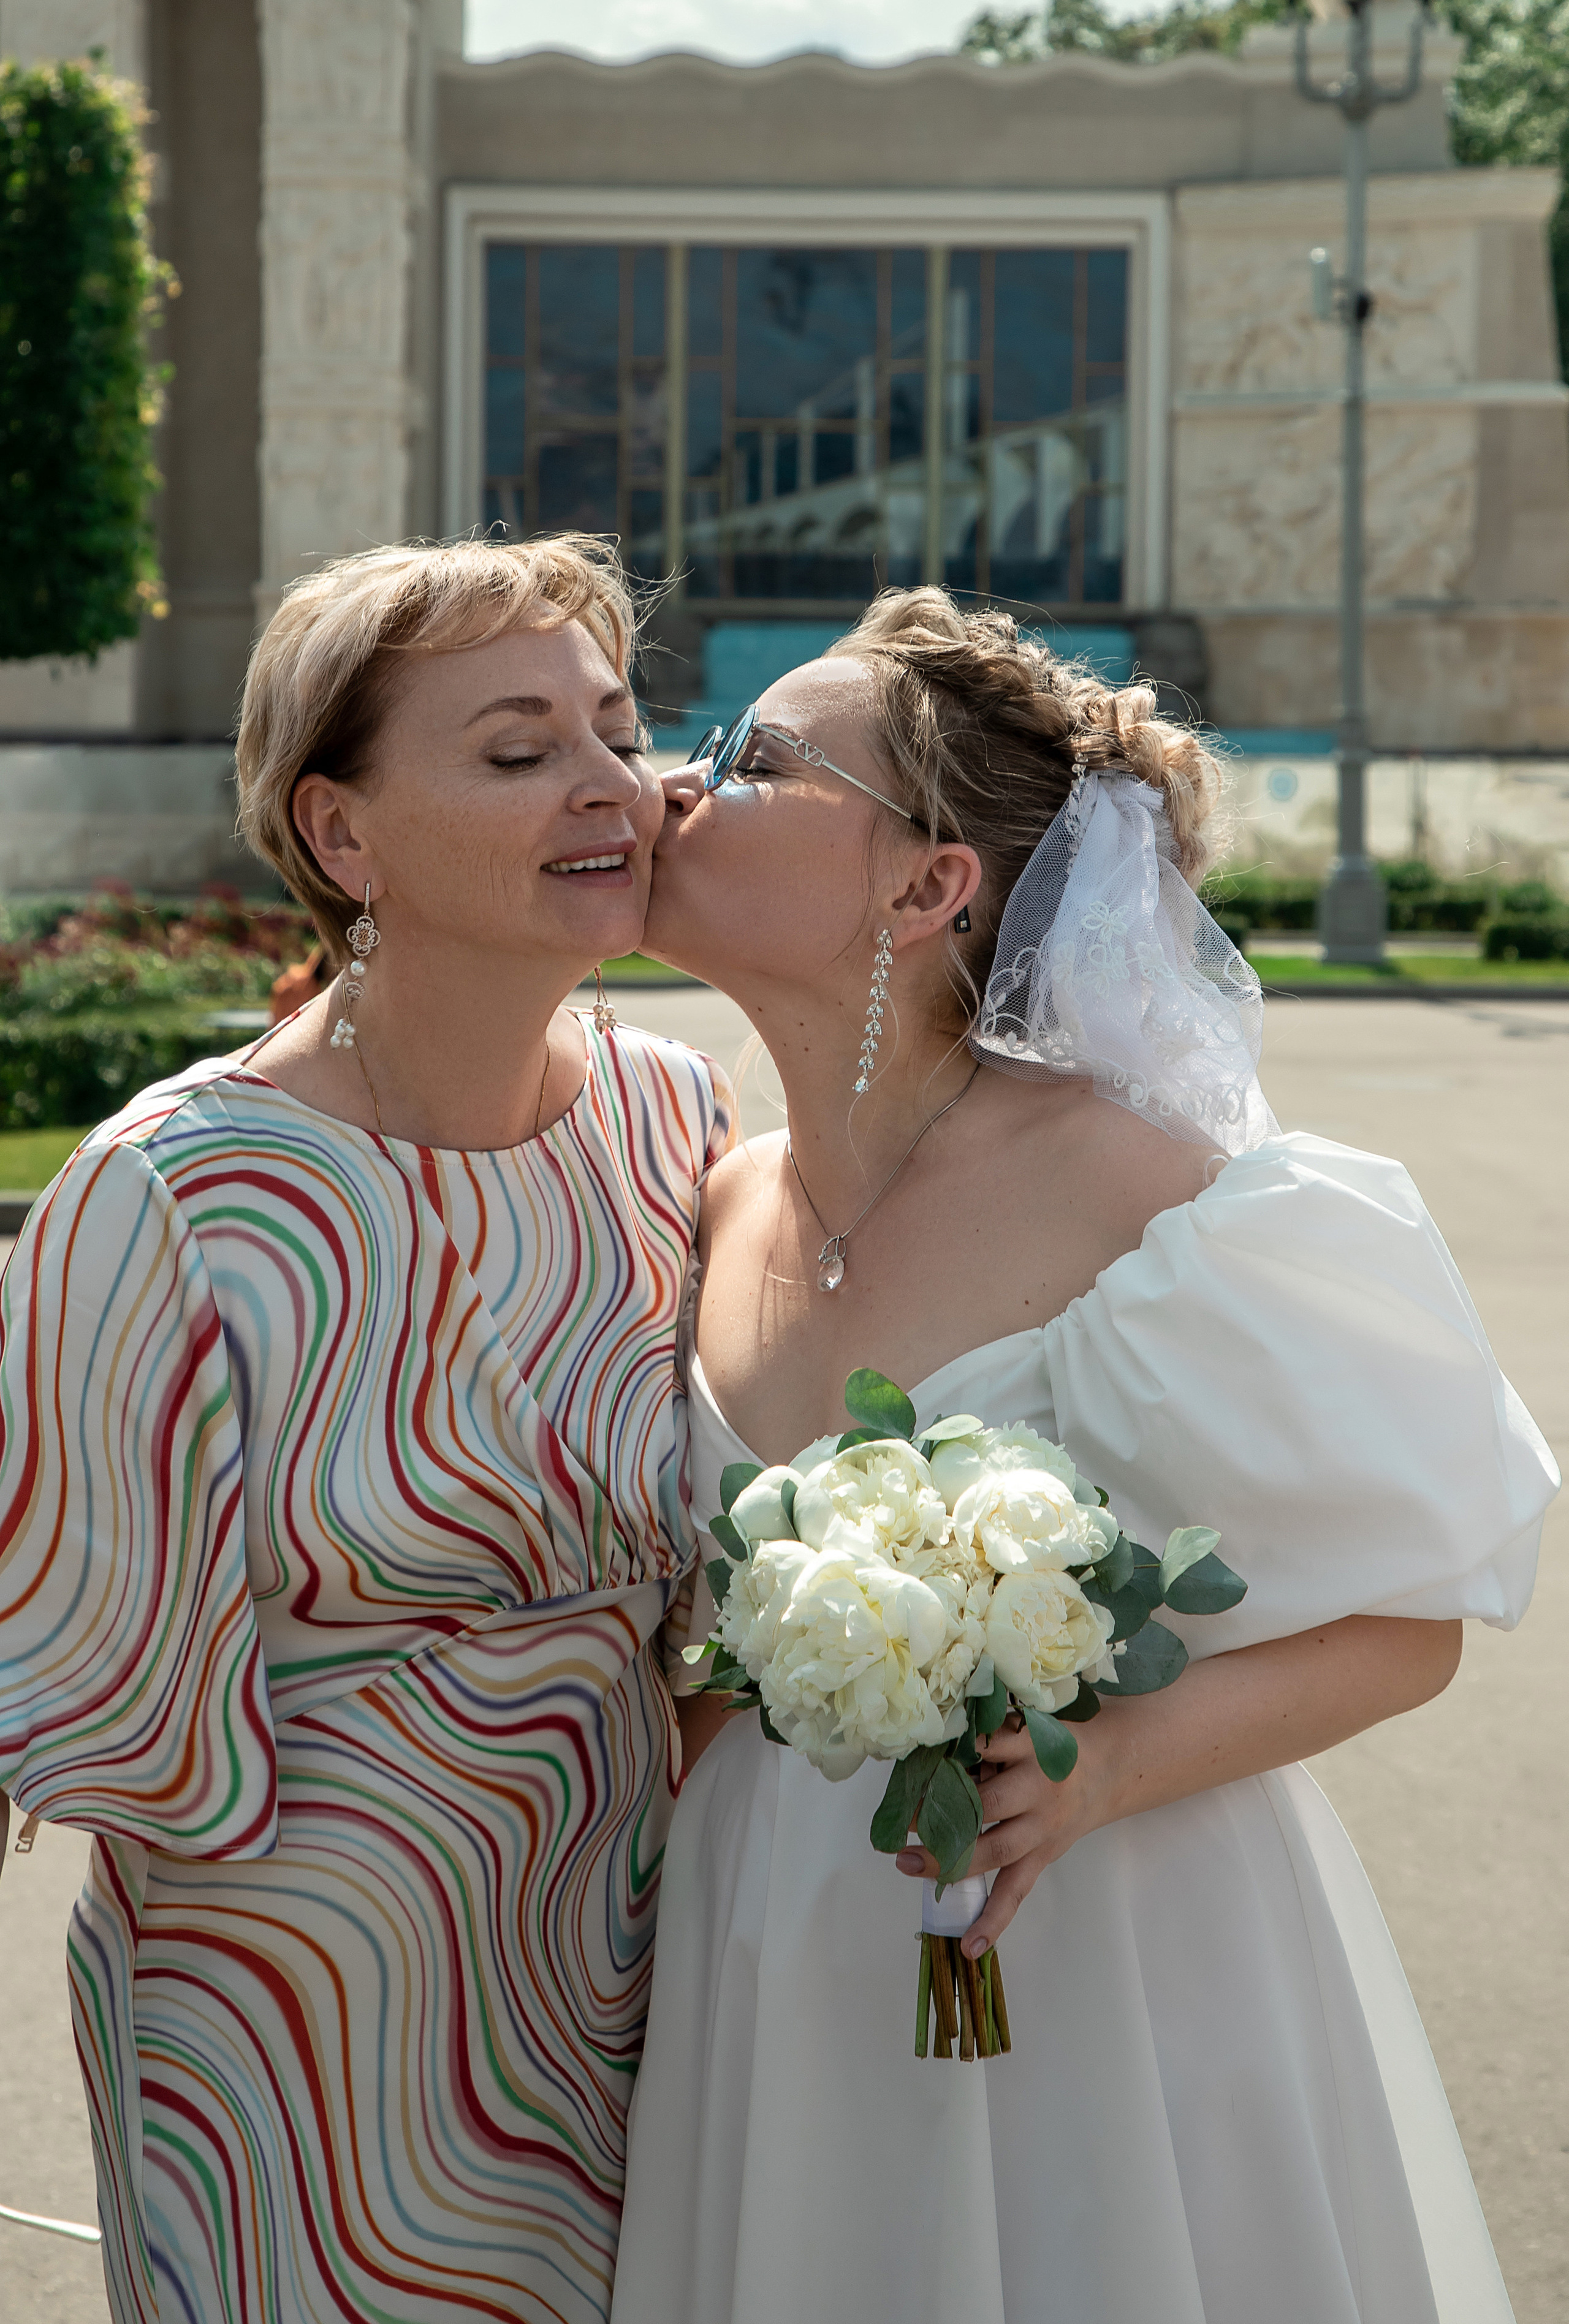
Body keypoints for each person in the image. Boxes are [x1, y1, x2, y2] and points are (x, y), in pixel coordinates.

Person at [609, 588, 1559, 2324]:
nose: (681, 783)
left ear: (927, 884)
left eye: (755, 757)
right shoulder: (708, 1196)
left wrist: (1112, 1767)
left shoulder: (1150, 1184)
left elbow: (1413, 1620)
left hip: (1113, 1962)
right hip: (775, 1966)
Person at [0, 534, 730, 2324]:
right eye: (515, 750)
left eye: (615, 732)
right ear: (340, 835)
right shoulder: (173, 1195)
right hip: (296, 2048)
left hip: (651, 1982)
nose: (606, 788)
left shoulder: (673, 1117)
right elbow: (68, 1711)